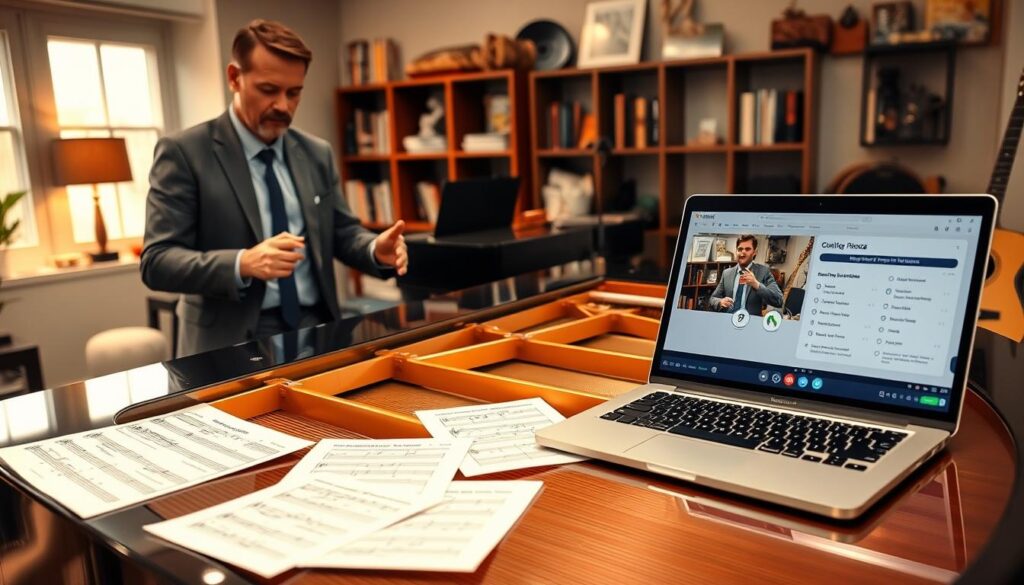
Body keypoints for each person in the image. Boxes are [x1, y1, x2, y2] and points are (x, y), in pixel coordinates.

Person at [141, 19, 407, 357]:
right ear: (235, 78)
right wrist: (243, 262)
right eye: (269, 90)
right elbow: (157, 261)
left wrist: (374, 249)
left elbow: (341, 232)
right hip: (229, 343)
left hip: (318, 331)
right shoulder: (184, 153)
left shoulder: (316, 152)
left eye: (294, 93)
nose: (283, 105)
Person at [708, 234, 782, 315]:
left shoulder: (764, 272)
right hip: (728, 320)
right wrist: (720, 302)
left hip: (750, 322)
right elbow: (712, 299)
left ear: (755, 252)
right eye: (740, 249)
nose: (743, 252)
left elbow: (778, 301)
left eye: (747, 249)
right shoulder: (726, 273)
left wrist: (756, 284)